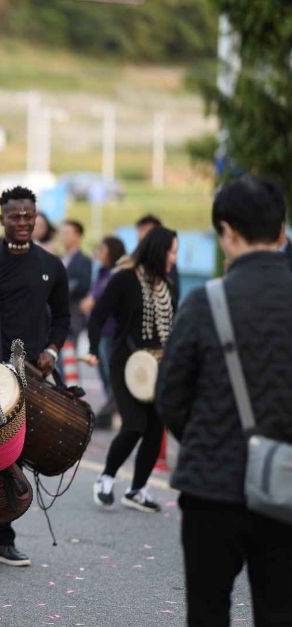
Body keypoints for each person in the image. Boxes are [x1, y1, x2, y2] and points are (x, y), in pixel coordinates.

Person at [156, 176, 292, 625]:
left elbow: (171, 397)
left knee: (208, 613)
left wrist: (207, 438)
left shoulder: (204, 302)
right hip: (288, 488)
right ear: (281, 232)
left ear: (226, 231)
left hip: (212, 488)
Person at [0, 186, 71, 568]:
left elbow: (62, 316)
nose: (23, 222)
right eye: (15, 216)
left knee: (19, 455)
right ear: (2, 220)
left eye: (29, 216)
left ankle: (4, 538)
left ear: (36, 217)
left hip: (33, 381)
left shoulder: (51, 265)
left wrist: (52, 351)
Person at [86, 226, 178, 513]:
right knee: (135, 424)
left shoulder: (167, 284)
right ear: (157, 251)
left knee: (154, 429)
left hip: (158, 365)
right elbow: (98, 315)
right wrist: (91, 349)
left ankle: (137, 489)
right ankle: (106, 479)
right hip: (127, 362)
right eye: (171, 251)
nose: (174, 258)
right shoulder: (125, 278)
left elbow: (171, 326)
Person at [80, 236, 127, 430]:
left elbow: (93, 300)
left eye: (103, 248)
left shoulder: (116, 274)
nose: (99, 251)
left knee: (112, 374)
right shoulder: (102, 272)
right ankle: (109, 413)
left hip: (111, 330)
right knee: (105, 374)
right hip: (100, 330)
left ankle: (113, 412)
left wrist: (90, 303)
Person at [59, 220, 93, 348]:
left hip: (73, 317)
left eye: (67, 233)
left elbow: (84, 284)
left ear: (78, 235)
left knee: (70, 360)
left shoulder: (84, 260)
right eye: (62, 233)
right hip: (56, 319)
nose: (63, 236)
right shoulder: (60, 258)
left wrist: (60, 288)